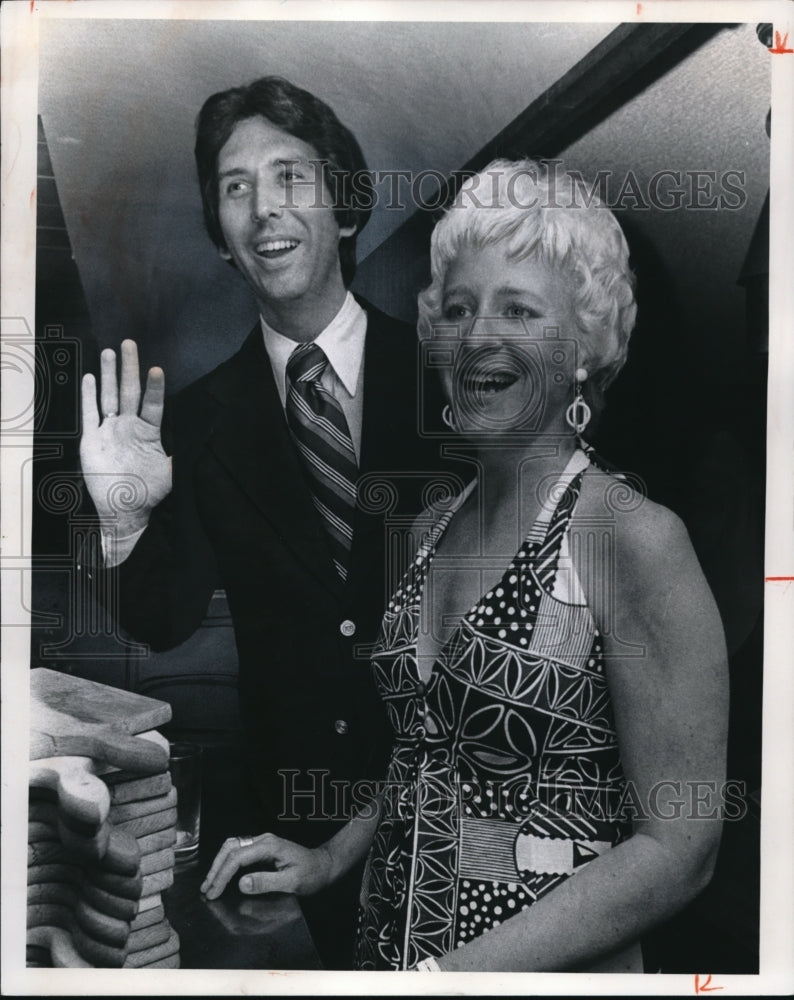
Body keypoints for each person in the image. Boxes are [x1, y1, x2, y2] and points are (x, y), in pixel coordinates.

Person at [199, 159, 729, 972]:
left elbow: (679, 849)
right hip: (389, 954)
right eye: (458, 309)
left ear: (584, 345)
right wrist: (328, 861)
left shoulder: (629, 535)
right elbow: (425, 756)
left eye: (519, 310)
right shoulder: (430, 530)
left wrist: (453, 980)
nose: (478, 334)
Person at [79, 76, 447, 968]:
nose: (263, 209)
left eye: (291, 177)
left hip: (456, 805)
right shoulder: (199, 422)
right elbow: (161, 619)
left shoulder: (448, 378)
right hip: (287, 827)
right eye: (235, 188)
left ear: (346, 209)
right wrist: (123, 524)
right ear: (221, 241)